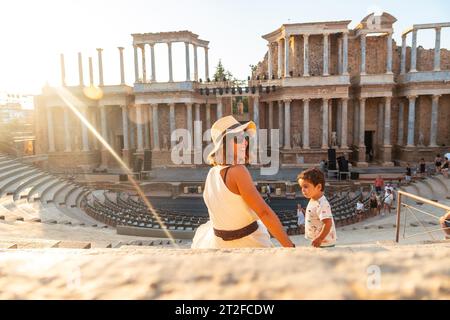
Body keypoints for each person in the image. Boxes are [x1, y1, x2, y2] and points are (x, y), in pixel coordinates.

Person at [191, 115, 295, 249]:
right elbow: (264, 212)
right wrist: (289, 247)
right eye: (238, 139)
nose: (245, 142)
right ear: (225, 143)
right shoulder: (238, 171)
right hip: (249, 242)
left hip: (219, 244)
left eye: (245, 137)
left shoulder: (212, 172)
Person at [297, 168, 337, 248]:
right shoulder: (313, 199)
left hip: (323, 242)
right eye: (301, 187)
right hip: (317, 240)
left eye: (305, 187)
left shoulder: (322, 204)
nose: (303, 190)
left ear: (318, 187)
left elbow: (328, 223)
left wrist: (320, 238)